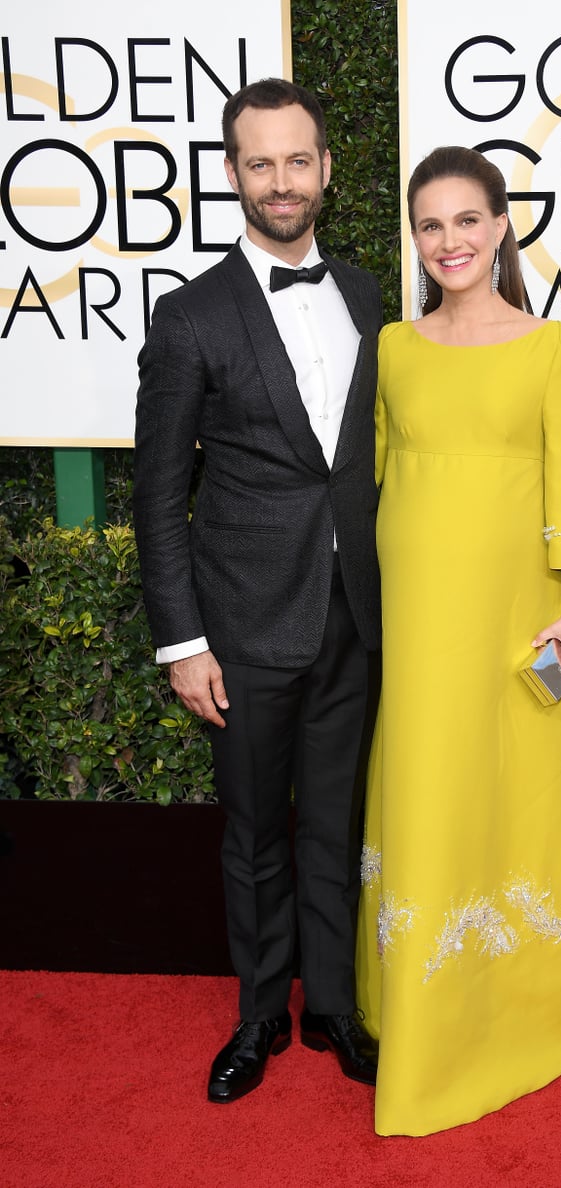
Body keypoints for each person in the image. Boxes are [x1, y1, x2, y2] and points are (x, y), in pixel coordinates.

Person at [133, 79, 382, 1104]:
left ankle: (331, 1002)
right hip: (240, 630)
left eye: (298, 160)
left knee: (336, 820)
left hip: (357, 620)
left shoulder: (370, 295)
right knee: (253, 832)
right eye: (259, 162)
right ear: (234, 174)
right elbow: (156, 494)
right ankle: (256, 1015)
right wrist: (181, 642)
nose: (281, 181)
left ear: (326, 169)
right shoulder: (190, 315)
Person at [356, 145, 561, 1136]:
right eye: (430, 224)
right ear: (415, 240)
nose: (449, 240)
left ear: (501, 226)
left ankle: (526, 1011)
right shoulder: (394, 347)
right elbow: (369, 473)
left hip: (515, 614)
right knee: (423, 780)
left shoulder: (549, 346)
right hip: (414, 616)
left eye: (466, 219)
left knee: (512, 785)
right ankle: (413, 1013)